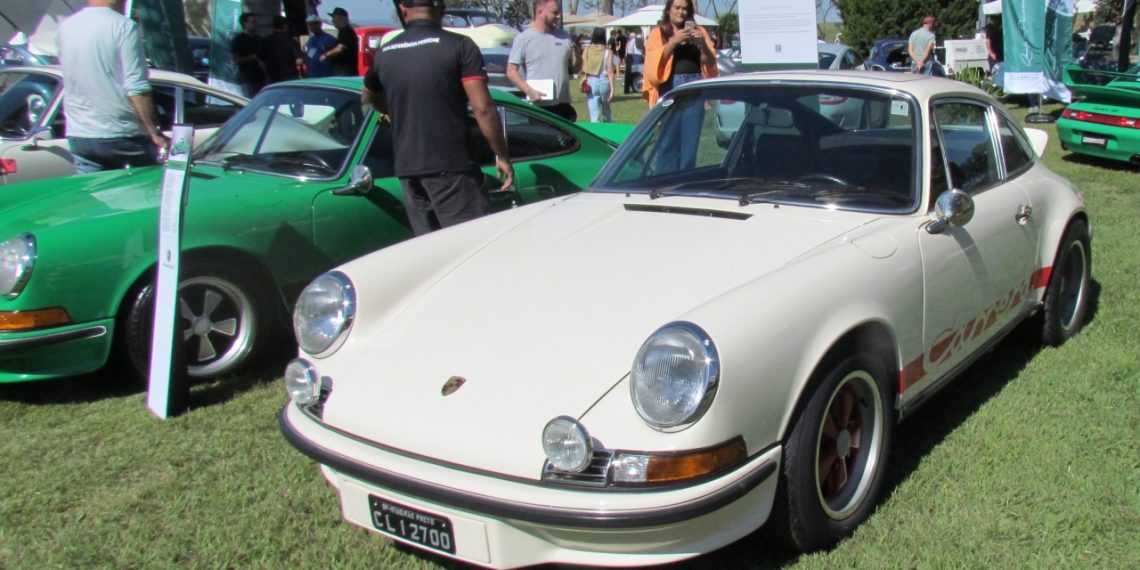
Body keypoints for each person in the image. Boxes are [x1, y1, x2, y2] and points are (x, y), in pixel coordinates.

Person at [362, 0, 513, 236]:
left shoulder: (385, 53)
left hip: (407, 168)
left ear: (403, 9)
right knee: (471, 244)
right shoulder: (459, 45)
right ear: (441, 10)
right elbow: (483, 108)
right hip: (452, 166)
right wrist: (501, 155)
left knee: (432, 248)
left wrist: (394, 110)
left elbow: (368, 96)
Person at [56, 0, 167, 173]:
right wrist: (154, 132)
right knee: (147, 184)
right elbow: (136, 87)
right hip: (120, 132)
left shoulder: (66, 27)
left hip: (80, 133)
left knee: (96, 189)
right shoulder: (123, 26)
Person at [506, 0, 577, 121]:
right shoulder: (524, 38)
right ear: (540, 12)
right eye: (554, 13)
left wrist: (578, 54)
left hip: (563, 105)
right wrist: (529, 91)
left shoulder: (564, 36)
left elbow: (575, 68)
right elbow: (511, 72)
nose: (559, 16)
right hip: (539, 106)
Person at [642, 0, 717, 108]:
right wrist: (674, 41)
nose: (681, 12)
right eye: (677, 8)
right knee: (670, 119)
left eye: (684, 8)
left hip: (695, 84)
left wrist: (703, 44)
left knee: (693, 118)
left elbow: (711, 64)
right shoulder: (658, 33)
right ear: (668, 10)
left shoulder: (700, 31)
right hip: (669, 86)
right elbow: (653, 64)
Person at [580, 28, 616, 123]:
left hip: (591, 81)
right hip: (605, 81)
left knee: (594, 114)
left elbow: (583, 66)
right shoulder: (608, 52)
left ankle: (595, 130)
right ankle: (607, 130)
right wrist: (612, 88)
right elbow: (610, 71)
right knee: (607, 111)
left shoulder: (587, 50)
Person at [231, 12, 267, 97]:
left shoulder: (260, 40)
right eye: (253, 22)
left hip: (261, 78)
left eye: (256, 22)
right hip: (247, 78)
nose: (255, 24)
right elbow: (235, 59)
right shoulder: (238, 40)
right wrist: (250, 58)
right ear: (245, 23)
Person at [261, 15, 304, 84]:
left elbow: (261, 59)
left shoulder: (266, 41)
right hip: (289, 76)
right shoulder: (290, 40)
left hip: (272, 76)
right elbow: (299, 60)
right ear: (285, 26)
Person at [324, 7, 358, 76]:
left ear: (340, 18)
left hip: (344, 70)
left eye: (334, 18)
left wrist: (326, 55)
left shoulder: (346, 31)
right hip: (342, 70)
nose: (332, 21)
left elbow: (340, 48)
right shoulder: (343, 31)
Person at [624, 29, 643, 94]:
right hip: (636, 57)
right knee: (636, 74)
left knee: (632, 74)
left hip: (633, 57)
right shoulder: (636, 41)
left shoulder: (632, 41)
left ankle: (629, 88)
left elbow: (630, 50)